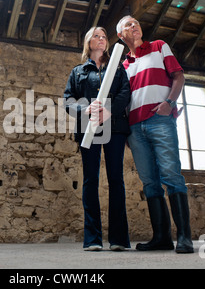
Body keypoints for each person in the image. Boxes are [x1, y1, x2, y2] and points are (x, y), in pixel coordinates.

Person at [116, 16, 194, 254]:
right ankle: (161, 237)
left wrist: (170, 102)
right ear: (121, 36)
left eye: (136, 22)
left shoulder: (159, 46)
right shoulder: (124, 66)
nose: (134, 26)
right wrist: (127, 132)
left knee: (171, 174)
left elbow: (178, 76)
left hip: (160, 119)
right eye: (128, 25)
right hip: (135, 129)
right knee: (150, 183)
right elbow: (124, 100)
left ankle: (184, 237)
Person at [64, 27, 131, 251]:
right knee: (90, 180)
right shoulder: (78, 71)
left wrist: (109, 110)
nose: (101, 39)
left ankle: (119, 239)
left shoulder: (118, 68)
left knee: (116, 180)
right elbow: (68, 100)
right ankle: (92, 239)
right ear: (88, 42)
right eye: (96, 36)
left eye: (104, 37)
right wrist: (84, 109)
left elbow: (125, 93)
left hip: (115, 128)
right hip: (88, 129)